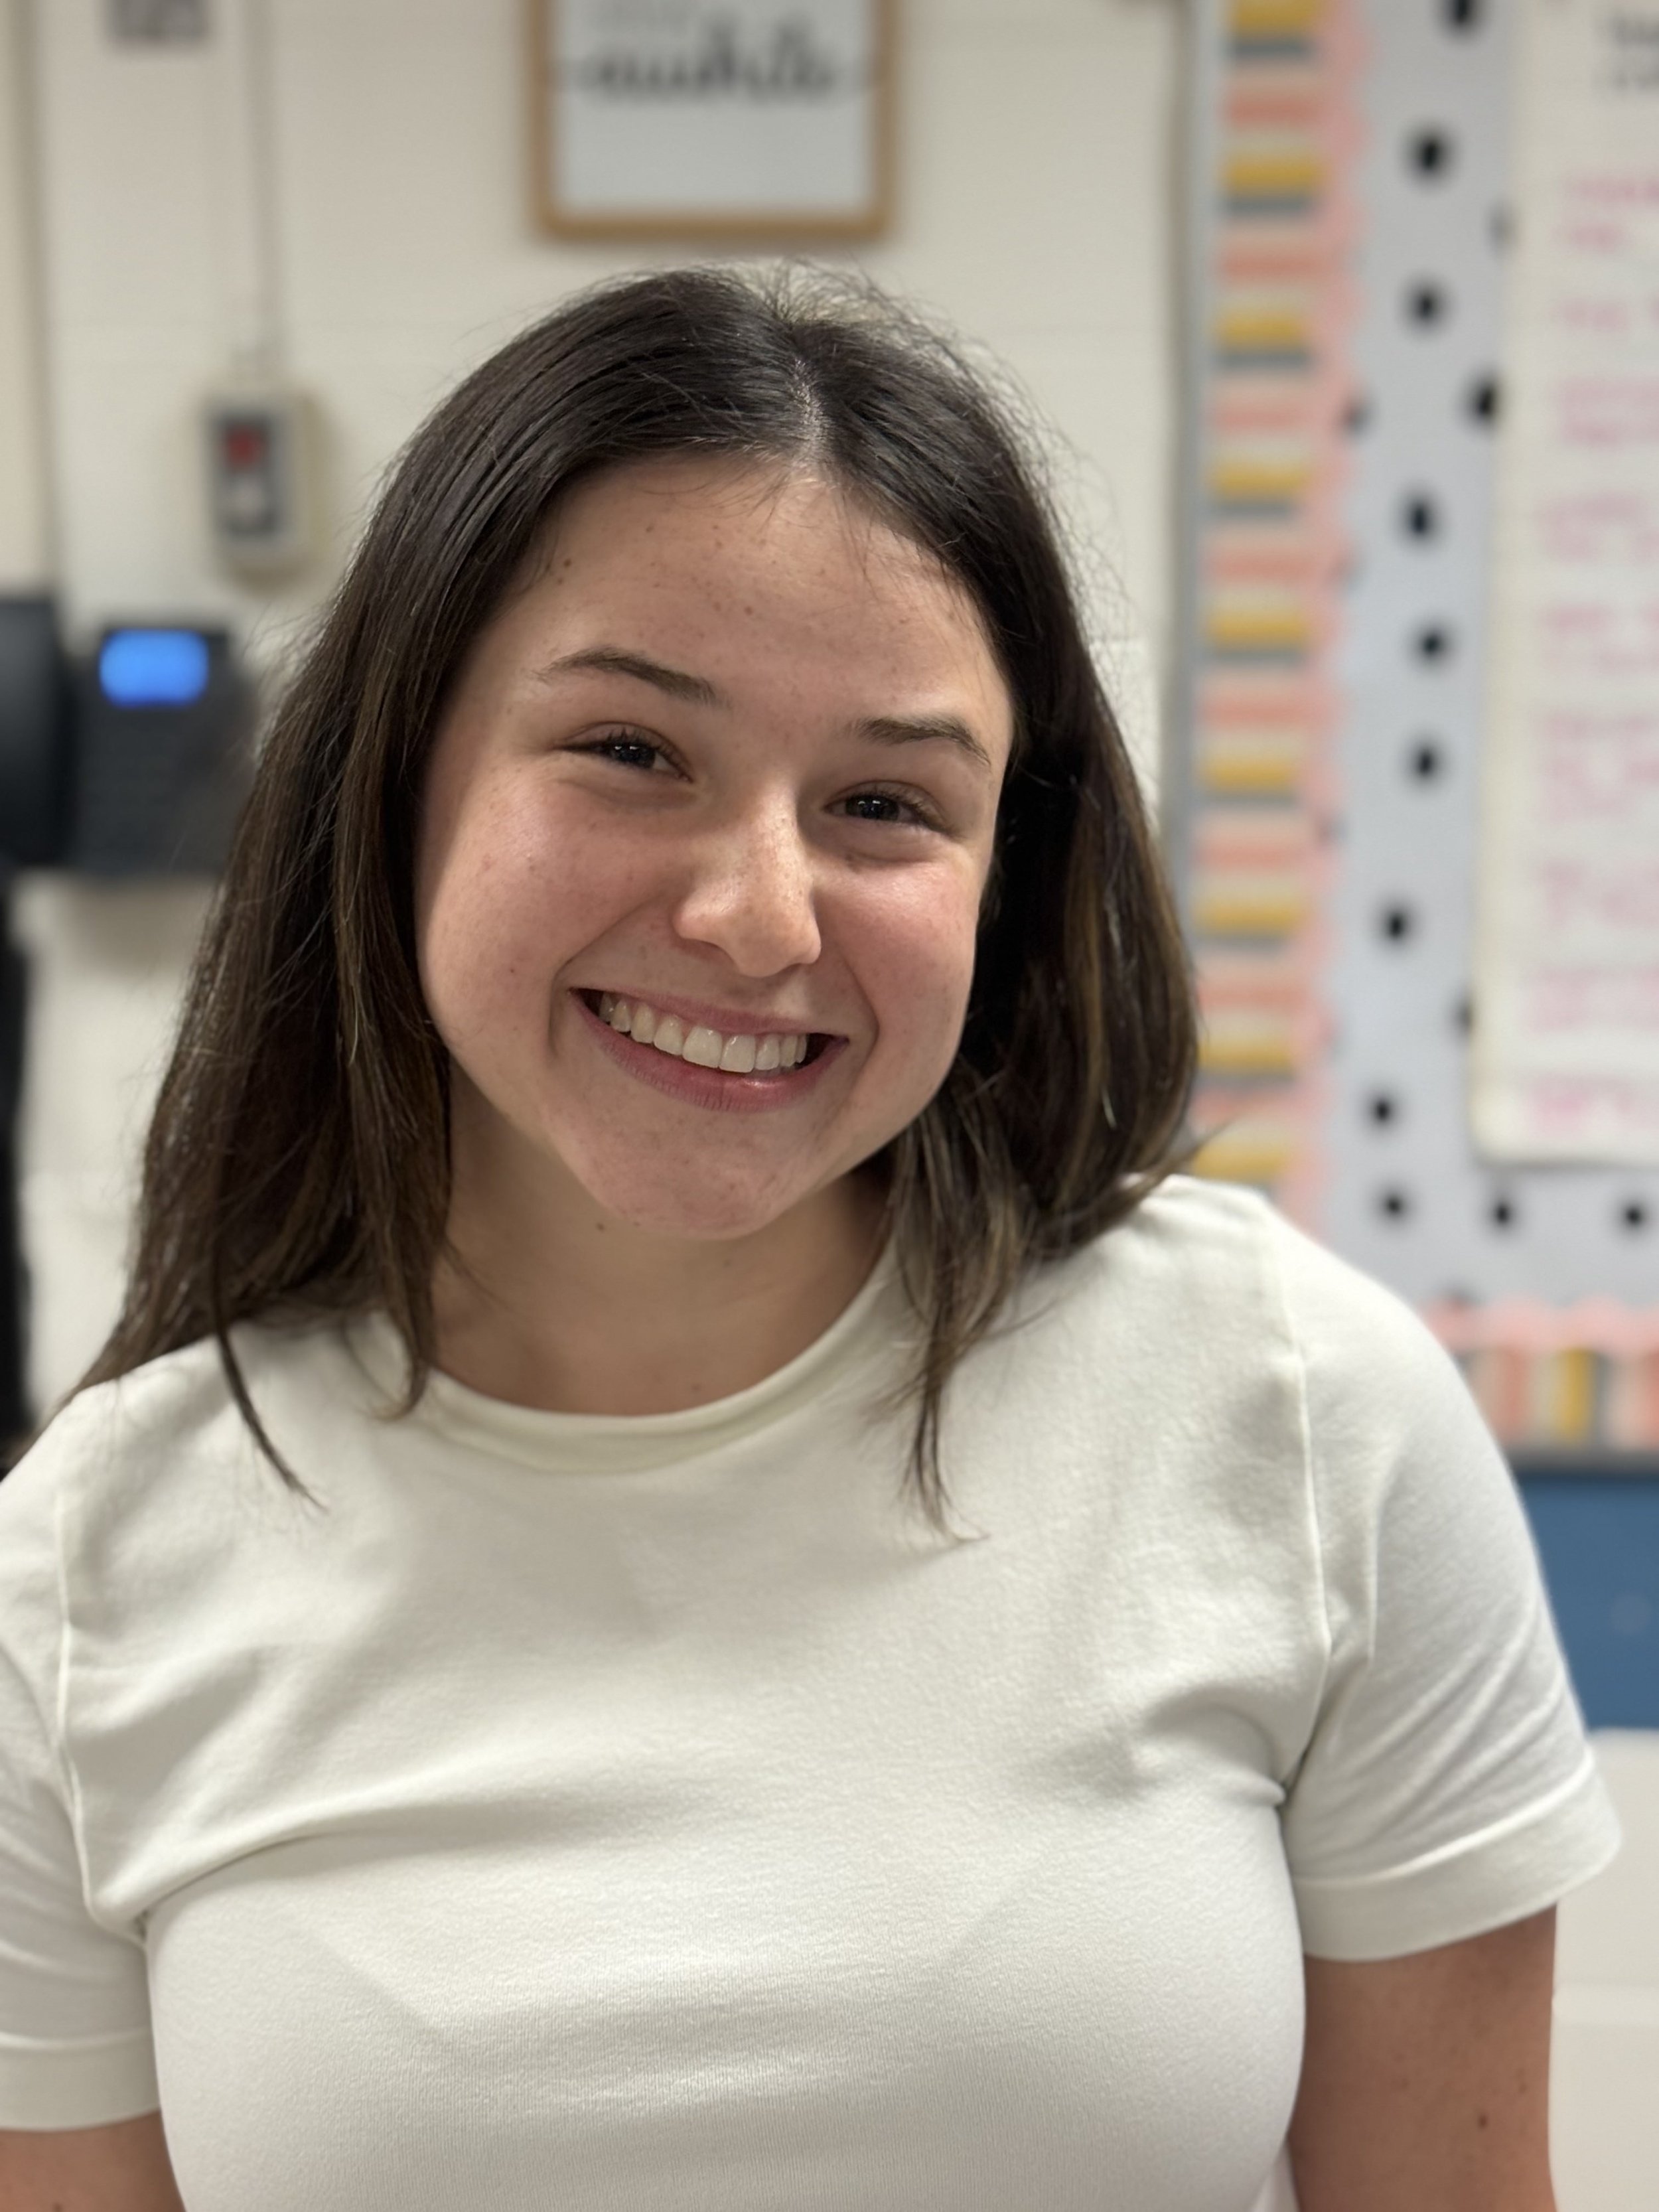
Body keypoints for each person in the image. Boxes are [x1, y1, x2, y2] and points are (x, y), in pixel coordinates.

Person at [0, 267, 1618, 2212]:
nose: (760, 917)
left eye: (882, 802)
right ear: (397, 777)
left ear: (1006, 875)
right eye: (629, 751)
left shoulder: (1295, 1416)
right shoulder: (95, 1562)